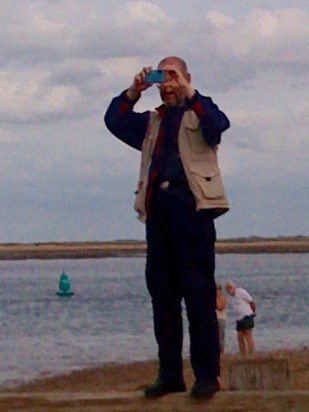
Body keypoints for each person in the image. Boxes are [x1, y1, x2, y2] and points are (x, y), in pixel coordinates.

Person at [104, 56, 230, 399]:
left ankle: (207, 375)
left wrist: (189, 92)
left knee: (199, 298)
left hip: (192, 215)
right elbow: (114, 121)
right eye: (163, 77)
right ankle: (170, 374)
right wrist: (134, 91)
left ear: (187, 78)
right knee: (163, 299)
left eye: (174, 76)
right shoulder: (151, 123)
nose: (168, 84)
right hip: (158, 218)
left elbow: (218, 125)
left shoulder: (200, 112)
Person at [225, 281, 256, 356]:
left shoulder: (241, 292)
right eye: (227, 289)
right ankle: (243, 354)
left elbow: (252, 302)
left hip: (247, 315)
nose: (229, 290)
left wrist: (253, 311)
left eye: (230, 288)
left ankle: (252, 353)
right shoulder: (229, 297)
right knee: (239, 337)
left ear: (234, 287)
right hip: (239, 318)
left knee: (248, 335)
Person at [216, 283, 227, 355]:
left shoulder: (222, 297)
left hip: (221, 319)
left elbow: (221, 307)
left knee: (220, 337)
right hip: (214, 319)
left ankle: (221, 352)